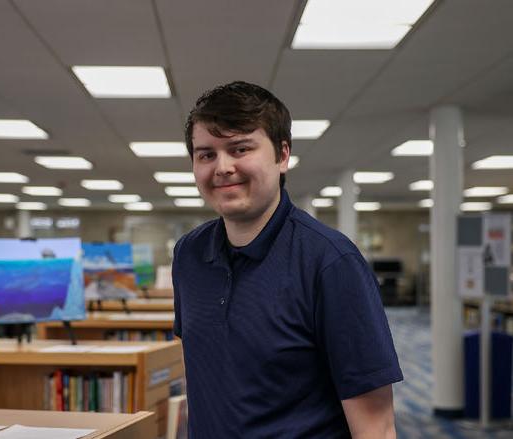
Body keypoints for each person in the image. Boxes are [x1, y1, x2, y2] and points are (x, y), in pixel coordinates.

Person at [172, 81, 403, 438]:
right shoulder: (188, 255)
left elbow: (377, 427)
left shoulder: (331, 262)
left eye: (240, 148)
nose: (222, 167)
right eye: (206, 154)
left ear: (282, 156)